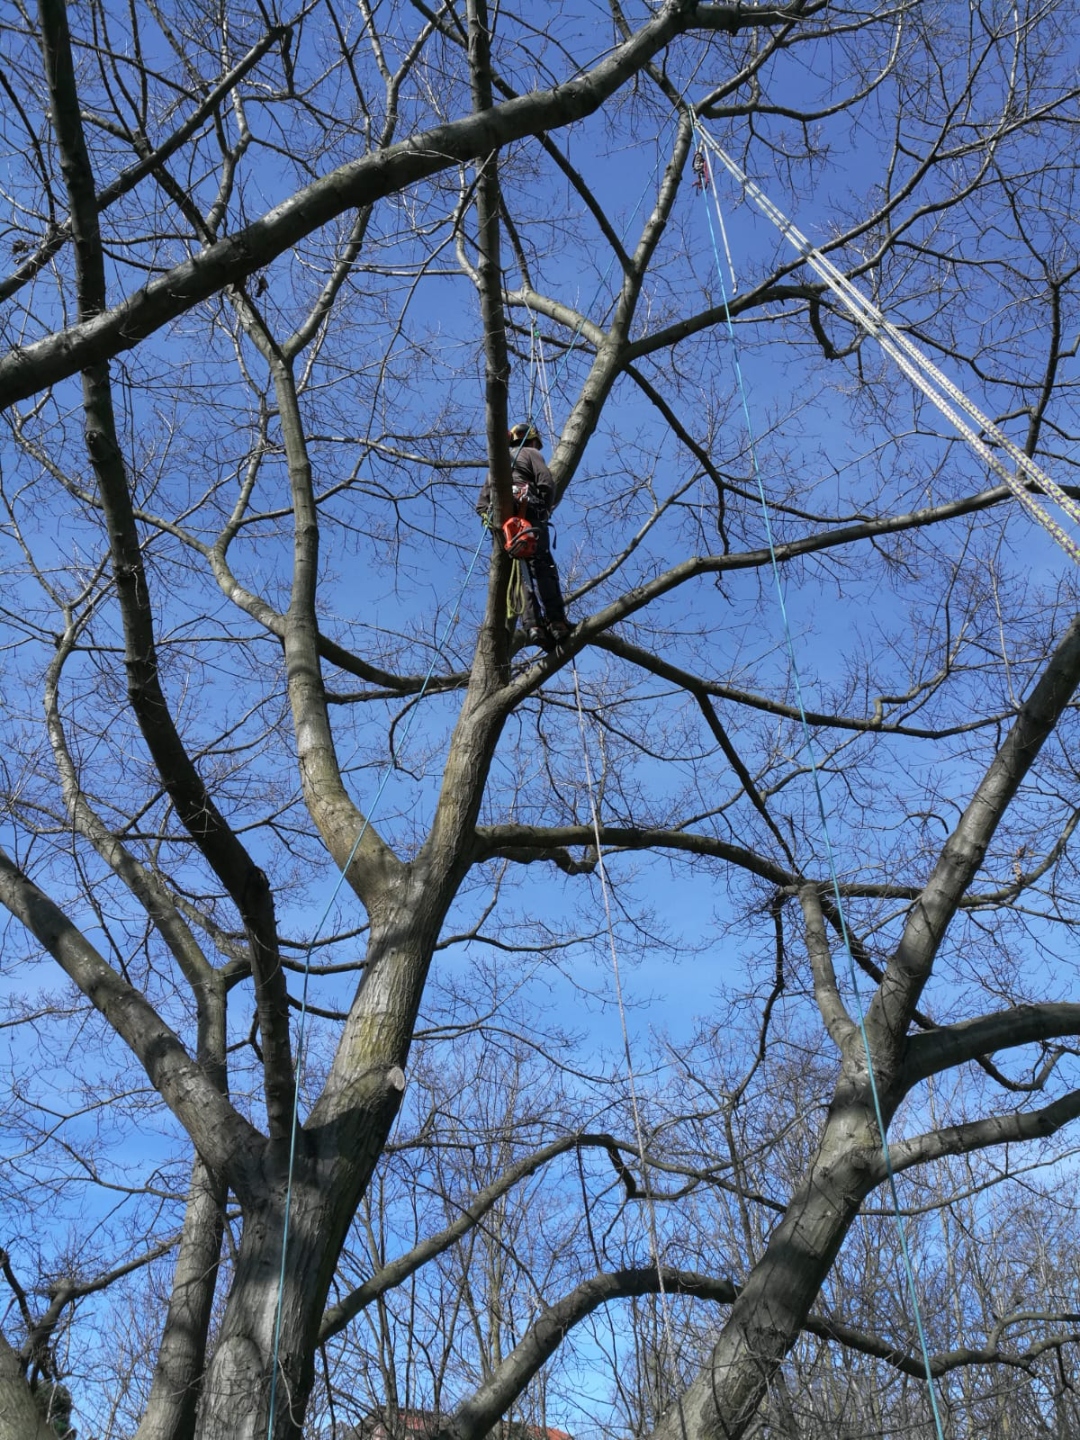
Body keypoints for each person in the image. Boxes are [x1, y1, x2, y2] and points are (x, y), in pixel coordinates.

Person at [477, 423, 571, 649]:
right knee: (543, 565)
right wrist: (544, 509)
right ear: (531, 441)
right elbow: (546, 483)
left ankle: (533, 626)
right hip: (529, 512)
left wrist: (494, 521)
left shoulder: (495, 468)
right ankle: (556, 622)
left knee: (521, 572)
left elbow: (481, 505)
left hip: (504, 524)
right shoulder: (530, 453)